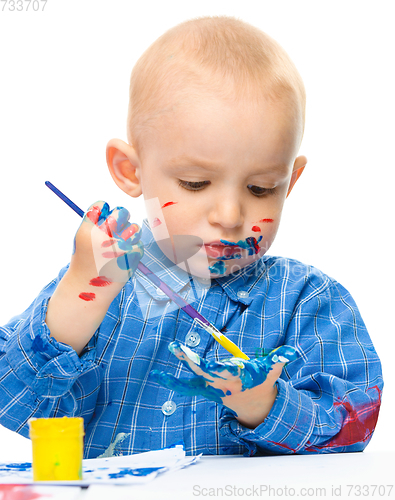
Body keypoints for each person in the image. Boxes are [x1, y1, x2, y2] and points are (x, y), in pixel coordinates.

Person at [0, 16, 383, 459]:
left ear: (290, 180)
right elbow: (14, 402)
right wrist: (81, 295)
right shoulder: (102, 281)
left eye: (261, 188)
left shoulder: (309, 302)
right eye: (195, 183)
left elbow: (357, 428)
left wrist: (264, 406)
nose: (230, 215)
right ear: (131, 171)